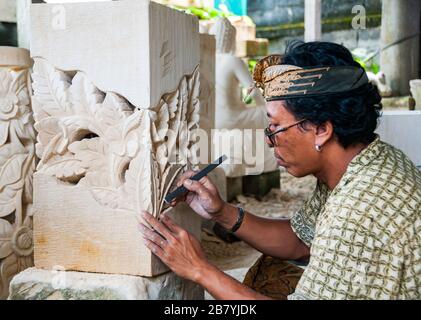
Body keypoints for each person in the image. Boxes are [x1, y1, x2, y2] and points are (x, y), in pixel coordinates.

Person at [138, 41, 421, 300]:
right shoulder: (365, 161)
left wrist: (200, 269)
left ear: (321, 129)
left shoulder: (357, 212)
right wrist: (222, 213)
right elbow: (302, 240)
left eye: (276, 127)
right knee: (271, 270)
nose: (268, 139)